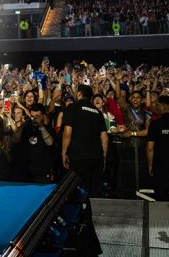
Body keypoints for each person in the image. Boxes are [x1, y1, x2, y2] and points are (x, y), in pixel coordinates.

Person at [60, 84, 107, 256]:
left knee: (77, 196)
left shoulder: (73, 107)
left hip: (79, 157)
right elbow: (104, 136)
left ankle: (81, 235)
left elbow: (67, 132)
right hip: (96, 158)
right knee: (88, 196)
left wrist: (64, 152)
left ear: (79, 94)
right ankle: (86, 232)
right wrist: (104, 158)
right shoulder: (97, 111)